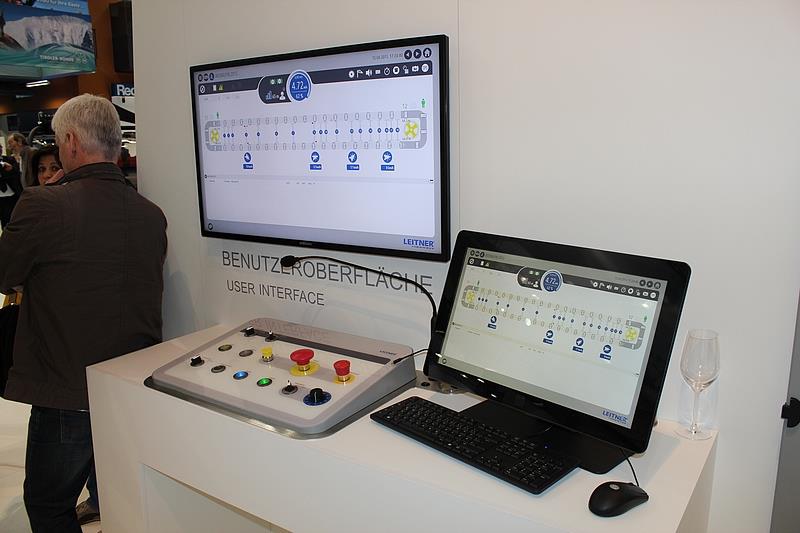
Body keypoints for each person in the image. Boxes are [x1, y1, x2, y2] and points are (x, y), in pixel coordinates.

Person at [0, 94, 168, 533]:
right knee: (119, 496)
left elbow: (5, 273)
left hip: (67, 391)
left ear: (72, 141)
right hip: (129, 384)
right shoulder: (151, 215)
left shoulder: (43, 205)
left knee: (48, 504)